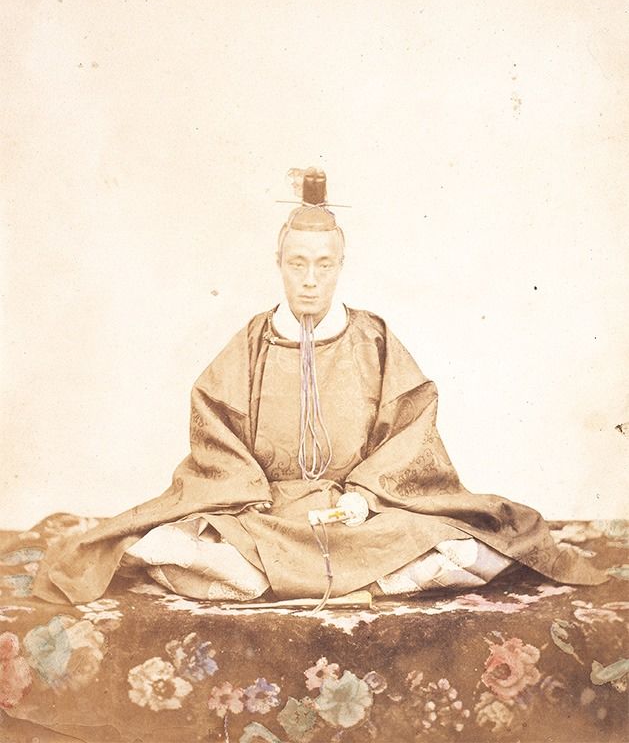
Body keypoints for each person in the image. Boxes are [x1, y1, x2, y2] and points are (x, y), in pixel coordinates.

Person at [32, 169, 606, 606]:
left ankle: (306, 575)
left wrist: (365, 496)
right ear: (278, 262)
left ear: (341, 264)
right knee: (186, 540)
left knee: (474, 535)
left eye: (324, 265)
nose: (310, 280)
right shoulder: (253, 341)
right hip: (270, 511)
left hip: (362, 510)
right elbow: (215, 431)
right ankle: (368, 580)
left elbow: (412, 427)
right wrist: (253, 497)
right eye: (298, 263)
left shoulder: (372, 337)